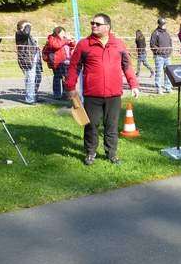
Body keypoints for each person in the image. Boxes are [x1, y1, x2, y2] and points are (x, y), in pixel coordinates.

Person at [64, 13, 139, 166]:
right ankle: (91, 152)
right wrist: (70, 87)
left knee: (111, 125)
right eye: (92, 23)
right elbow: (74, 67)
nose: (93, 26)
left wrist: (134, 84)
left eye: (97, 24)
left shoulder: (119, 44)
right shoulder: (84, 44)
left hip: (114, 95)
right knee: (91, 124)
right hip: (92, 94)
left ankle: (111, 153)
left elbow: (127, 65)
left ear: (107, 27)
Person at [42, 27, 75, 100]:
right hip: (57, 62)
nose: (64, 34)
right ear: (57, 33)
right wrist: (66, 40)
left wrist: (71, 41)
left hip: (67, 62)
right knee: (57, 78)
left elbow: (72, 45)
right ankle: (57, 94)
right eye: (62, 33)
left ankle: (65, 94)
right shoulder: (52, 39)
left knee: (66, 78)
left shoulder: (64, 40)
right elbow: (56, 46)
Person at [15, 20, 42, 104]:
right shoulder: (19, 34)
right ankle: (30, 99)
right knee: (30, 79)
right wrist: (28, 25)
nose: (29, 27)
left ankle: (34, 96)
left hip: (35, 58)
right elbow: (26, 33)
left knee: (38, 78)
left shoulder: (28, 35)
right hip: (27, 59)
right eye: (26, 26)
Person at [150, 18, 173, 94]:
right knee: (159, 73)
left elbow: (170, 43)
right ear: (159, 25)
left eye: (165, 24)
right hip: (159, 57)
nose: (164, 25)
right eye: (163, 24)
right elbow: (152, 45)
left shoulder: (167, 33)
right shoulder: (155, 33)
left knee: (168, 73)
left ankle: (168, 87)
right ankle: (158, 88)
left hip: (167, 56)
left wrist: (170, 50)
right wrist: (160, 51)